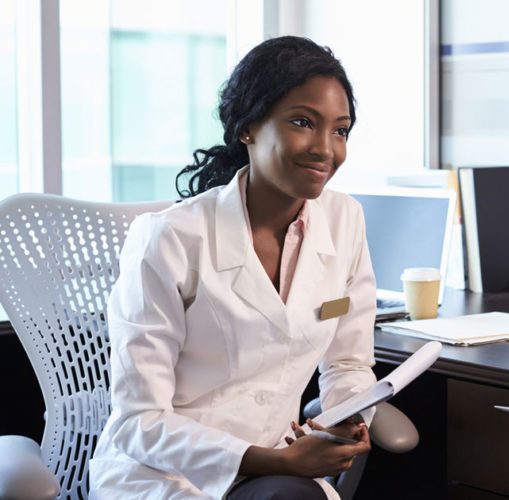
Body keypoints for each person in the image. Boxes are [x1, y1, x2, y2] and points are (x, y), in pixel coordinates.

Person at [89, 36, 376, 500]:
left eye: (340, 130)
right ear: (248, 127)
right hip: (165, 474)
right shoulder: (169, 238)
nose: (325, 149)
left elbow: (348, 362)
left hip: (277, 470)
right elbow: (138, 421)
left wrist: (348, 416)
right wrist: (277, 462)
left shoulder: (345, 220)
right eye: (303, 122)